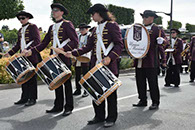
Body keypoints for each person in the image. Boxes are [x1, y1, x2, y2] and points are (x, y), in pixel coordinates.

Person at [65, 4, 123, 128]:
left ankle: (111, 117)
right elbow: (88, 47)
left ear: (100, 13)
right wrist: (74, 53)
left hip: (108, 65)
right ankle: (99, 116)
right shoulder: (95, 30)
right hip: (95, 65)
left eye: (93, 14)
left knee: (110, 94)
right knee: (95, 92)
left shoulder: (112, 26)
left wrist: (110, 57)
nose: (92, 16)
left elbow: (119, 44)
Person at [24, 3, 78, 116]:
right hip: (54, 59)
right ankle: (58, 106)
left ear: (62, 12)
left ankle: (68, 107)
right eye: (53, 10)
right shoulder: (51, 27)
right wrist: (32, 51)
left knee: (66, 84)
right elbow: (44, 43)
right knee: (57, 83)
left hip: (64, 58)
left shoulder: (67, 24)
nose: (53, 12)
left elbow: (75, 41)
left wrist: (63, 49)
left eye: (56, 10)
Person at [4, 11, 42, 106]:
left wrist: (28, 49)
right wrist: (10, 53)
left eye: (23, 18)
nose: (21, 20)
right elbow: (18, 45)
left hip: (32, 56)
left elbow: (37, 41)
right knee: (24, 78)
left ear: (28, 18)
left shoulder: (33, 27)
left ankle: (32, 98)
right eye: (19, 19)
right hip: (22, 57)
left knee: (32, 78)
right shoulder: (20, 30)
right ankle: (24, 97)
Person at [132, 10, 167, 110]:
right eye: (143, 17)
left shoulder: (157, 29)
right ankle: (142, 99)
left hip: (151, 60)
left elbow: (165, 42)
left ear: (152, 18)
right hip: (139, 60)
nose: (144, 19)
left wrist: (162, 41)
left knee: (152, 82)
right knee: (140, 81)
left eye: (146, 17)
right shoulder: (138, 28)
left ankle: (155, 102)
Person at [73, 23, 91, 97]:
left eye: (83, 29)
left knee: (85, 74)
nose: (81, 31)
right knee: (77, 74)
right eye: (80, 29)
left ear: (87, 29)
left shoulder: (89, 36)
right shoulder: (79, 36)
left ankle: (86, 90)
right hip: (78, 56)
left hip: (86, 56)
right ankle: (78, 89)